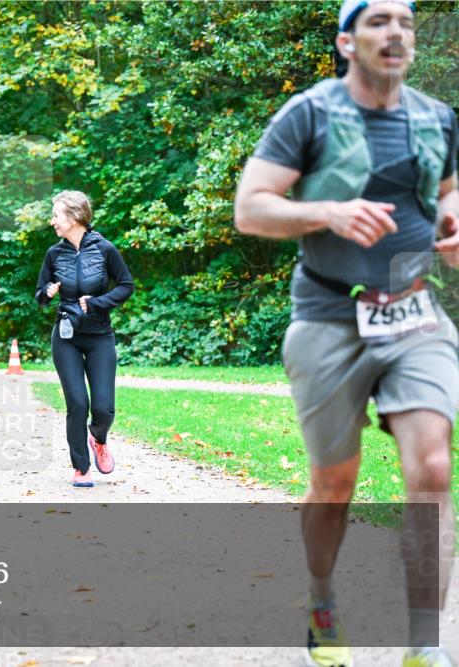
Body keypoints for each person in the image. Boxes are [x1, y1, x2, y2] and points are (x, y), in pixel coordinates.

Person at [234, 1, 459, 665]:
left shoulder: (436, 117)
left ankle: (424, 640)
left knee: (433, 465)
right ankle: (322, 602)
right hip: (329, 313)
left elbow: (449, 191)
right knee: (335, 484)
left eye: (406, 22)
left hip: (414, 313)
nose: (396, 33)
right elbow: (251, 208)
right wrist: (327, 211)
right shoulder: (308, 113)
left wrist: (453, 222)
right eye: (378, 21)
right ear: (346, 41)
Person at [35, 191, 135, 488]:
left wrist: (97, 303)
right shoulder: (54, 254)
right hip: (66, 336)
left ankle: (99, 438)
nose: (52, 221)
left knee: (103, 408)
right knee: (77, 403)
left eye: (56, 215)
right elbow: (40, 295)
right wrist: (47, 293)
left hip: (100, 336)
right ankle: (81, 468)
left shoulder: (105, 249)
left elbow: (126, 285)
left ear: (75, 216)